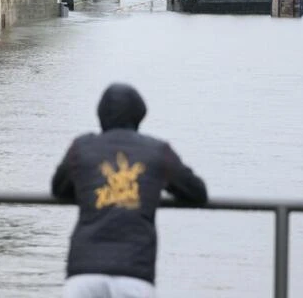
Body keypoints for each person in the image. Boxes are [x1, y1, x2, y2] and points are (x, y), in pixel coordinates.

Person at [51, 83, 208, 298]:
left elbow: (58, 188)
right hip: (135, 272)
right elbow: (196, 192)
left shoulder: (81, 147)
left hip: (84, 271)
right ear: (139, 115)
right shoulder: (158, 151)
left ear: (100, 115)